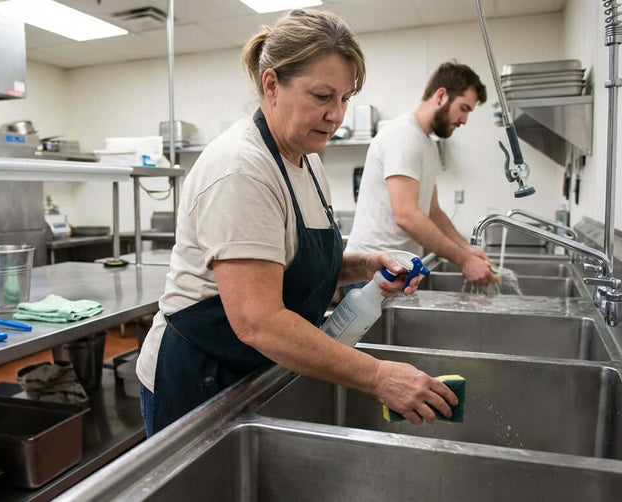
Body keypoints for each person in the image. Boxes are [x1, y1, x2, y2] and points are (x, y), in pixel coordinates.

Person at [136, 9, 458, 436]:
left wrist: (363, 265)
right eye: (322, 97)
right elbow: (259, 320)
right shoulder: (241, 169)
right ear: (272, 85)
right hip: (200, 378)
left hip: (254, 368)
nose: (337, 114)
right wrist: (380, 377)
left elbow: (289, 263)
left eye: (345, 98)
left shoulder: (306, 160)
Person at [345, 62, 497, 286]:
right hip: (371, 272)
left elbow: (432, 211)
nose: (464, 120)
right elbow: (406, 215)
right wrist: (463, 261)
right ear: (441, 96)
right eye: (464, 108)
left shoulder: (427, 144)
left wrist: (468, 249)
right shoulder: (404, 136)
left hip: (398, 269)